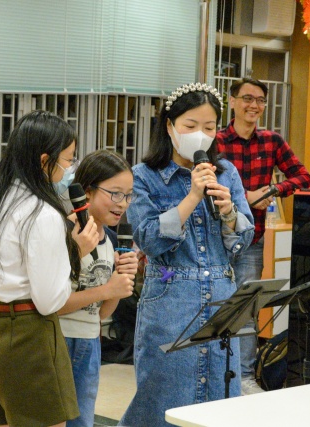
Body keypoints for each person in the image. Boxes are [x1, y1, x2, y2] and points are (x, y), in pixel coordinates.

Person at [118, 83, 255, 427]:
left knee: (220, 399)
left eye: (209, 128)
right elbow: (149, 240)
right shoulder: (143, 176)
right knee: (165, 399)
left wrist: (229, 214)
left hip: (221, 296)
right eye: (190, 126)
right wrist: (193, 196)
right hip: (170, 296)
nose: (200, 135)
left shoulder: (226, 173)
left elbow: (243, 242)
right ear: (169, 126)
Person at [0, 110, 98, 427]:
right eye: (68, 160)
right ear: (44, 160)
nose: (70, 169)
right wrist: (75, 252)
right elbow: (50, 301)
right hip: (26, 336)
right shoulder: (43, 213)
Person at [216, 77, 310, 395]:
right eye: (247, 98)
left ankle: (243, 376)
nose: (253, 105)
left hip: (251, 241)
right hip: (214, 242)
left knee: (245, 308)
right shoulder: (215, 142)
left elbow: (302, 176)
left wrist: (272, 190)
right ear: (232, 101)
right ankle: (214, 374)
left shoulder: (272, 141)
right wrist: (243, 196)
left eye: (260, 100)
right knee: (212, 305)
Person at [58, 150, 136, 427]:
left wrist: (120, 282)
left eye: (128, 195)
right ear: (87, 191)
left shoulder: (111, 239)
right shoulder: (64, 231)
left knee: (82, 421)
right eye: (115, 193)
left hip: (90, 342)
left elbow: (101, 313)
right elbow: (52, 304)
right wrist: (106, 290)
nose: (122, 203)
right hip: (58, 341)